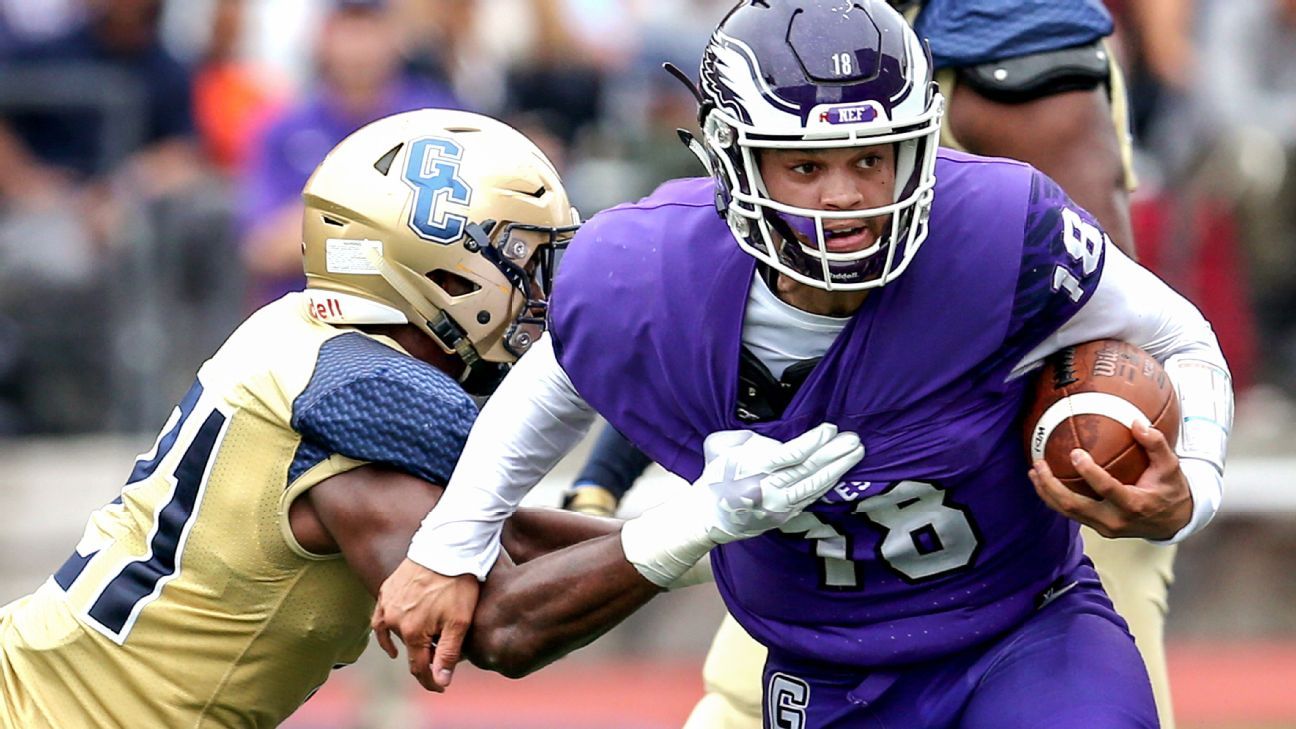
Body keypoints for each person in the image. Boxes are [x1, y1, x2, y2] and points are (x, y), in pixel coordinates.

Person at [372, 2, 1236, 726]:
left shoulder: (998, 227)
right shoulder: (646, 266)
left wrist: (1191, 484)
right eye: (804, 165)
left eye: (871, 158)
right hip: (819, 665)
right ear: (734, 159)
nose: (845, 197)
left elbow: (1182, 338)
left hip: (1021, 633)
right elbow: (560, 375)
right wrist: (449, 546)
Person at [0, 108, 605, 727]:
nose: (541, 295)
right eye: (523, 260)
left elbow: (485, 529)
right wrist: (669, 540)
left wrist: (665, 541)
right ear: (447, 272)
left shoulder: (305, 333)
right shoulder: (371, 392)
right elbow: (502, 623)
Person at [240, 0, 464, 308]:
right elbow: (265, 250)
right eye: (348, 29)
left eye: (370, 29)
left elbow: (461, 241)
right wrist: (387, 228)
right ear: (323, 36)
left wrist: (323, 225)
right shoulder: (284, 128)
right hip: (309, 311)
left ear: (396, 36)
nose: (358, 47)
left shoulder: (439, 120)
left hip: (417, 315)